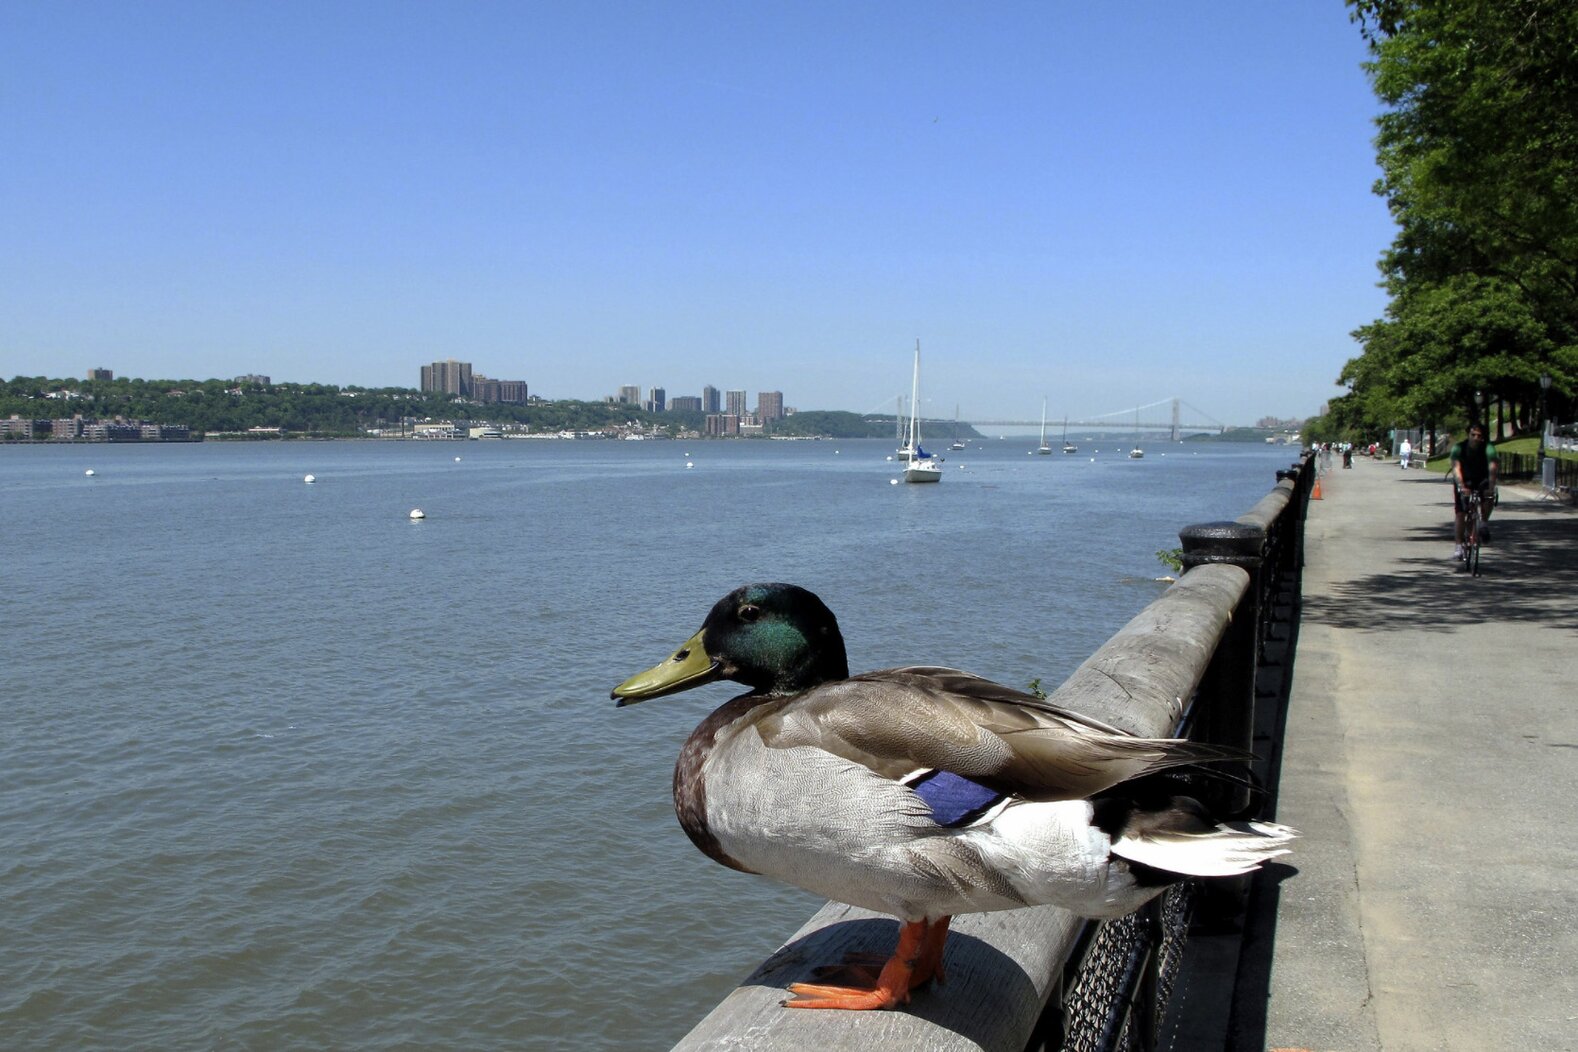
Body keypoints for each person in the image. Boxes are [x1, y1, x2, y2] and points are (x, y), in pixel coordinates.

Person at [1449, 423, 1499, 560]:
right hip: (1465, 478)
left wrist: (1491, 487)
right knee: (1461, 512)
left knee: (1489, 497)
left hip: (1482, 478)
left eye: (1479, 436)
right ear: (1468, 435)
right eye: (1473, 435)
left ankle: (1483, 523)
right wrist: (1462, 486)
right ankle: (1458, 547)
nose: (1476, 438)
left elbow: (1493, 468)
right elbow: (1456, 468)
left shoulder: (1488, 448)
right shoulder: (1459, 448)